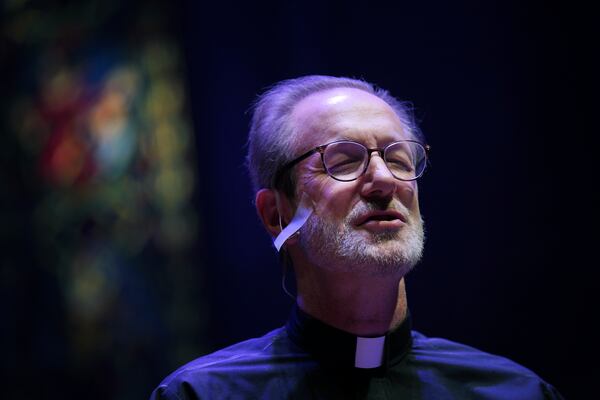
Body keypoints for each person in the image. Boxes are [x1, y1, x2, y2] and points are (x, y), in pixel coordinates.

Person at [150, 75, 563, 399]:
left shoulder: (515, 392)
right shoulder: (201, 395)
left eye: (399, 158)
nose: (385, 181)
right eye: (343, 161)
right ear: (276, 215)